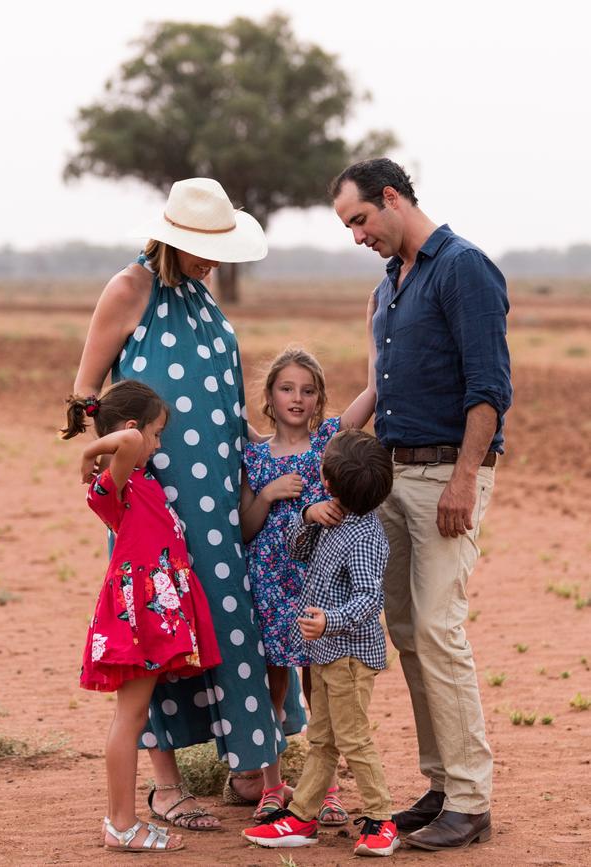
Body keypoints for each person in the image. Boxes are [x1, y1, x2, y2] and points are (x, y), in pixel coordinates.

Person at [73, 177, 306, 831]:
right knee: (157, 629)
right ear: (173, 239)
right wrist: (123, 472)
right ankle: (165, 785)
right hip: (155, 507)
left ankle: (249, 763)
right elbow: (87, 395)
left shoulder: (199, 297)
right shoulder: (131, 290)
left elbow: (222, 411)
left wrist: (281, 448)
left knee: (227, 618)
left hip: (218, 501)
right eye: (204, 247)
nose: (213, 258)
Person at [330, 158, 512, 851]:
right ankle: (441, 786)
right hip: (395, 477)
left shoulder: (463, 267)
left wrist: (466, 477)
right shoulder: (392, 283)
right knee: (406, 629)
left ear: (392, 198)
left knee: (438, 628)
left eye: (360, 219)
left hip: (448, 478)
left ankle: (472, 799)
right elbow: (386, 384)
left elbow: (489, 386)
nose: (357, 235)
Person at [60, 380, 222, 853]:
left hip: (152, 613)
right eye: (157, 434)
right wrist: (90, 452)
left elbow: (130, 441)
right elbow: (128, 442)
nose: (156, 445)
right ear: (132, 429)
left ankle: (122, 822)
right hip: (140, 615)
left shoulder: (138, 482)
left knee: (131, 717)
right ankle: (121, 825)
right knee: (129, 719)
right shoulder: (113, 483)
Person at [242, 429, 399, 857]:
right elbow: (298, 552)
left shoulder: (365, 536)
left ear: (327, 480)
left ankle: (381, 819)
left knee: (353, 738)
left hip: (349, 656)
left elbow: (369, 599)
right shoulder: (335, 517)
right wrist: (307, 516)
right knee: (323, 738)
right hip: (326, 653)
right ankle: (303, 815)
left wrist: (330, 619)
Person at [240, 341, 376, 823]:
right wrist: (271, 493)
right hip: (273, 585)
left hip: (320, 586)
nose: (297, 398)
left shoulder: (330, 443)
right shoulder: (254, 454)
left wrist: (376, 330)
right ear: (270, 397)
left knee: (322, 686)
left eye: (308, 390)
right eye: (286, 388)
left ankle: (328, 787)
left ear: (320, 399)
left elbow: (372, 394)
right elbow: (246, 526)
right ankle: (272, 786)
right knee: (273, 686)